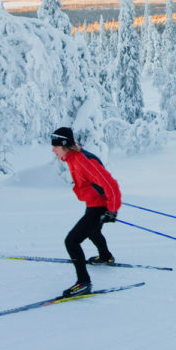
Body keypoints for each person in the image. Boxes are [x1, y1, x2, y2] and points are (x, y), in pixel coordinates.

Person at [50, 127, 121, 297]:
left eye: (56, 146)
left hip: (99, 206)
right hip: (93, 203)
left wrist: (112, 210)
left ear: (65, 145)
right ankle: (105, 256)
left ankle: (83, 283)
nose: (53, 149)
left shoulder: (81, 160)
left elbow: (110, 184)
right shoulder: (72, 158)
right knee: (92, 231)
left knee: (72, 241)